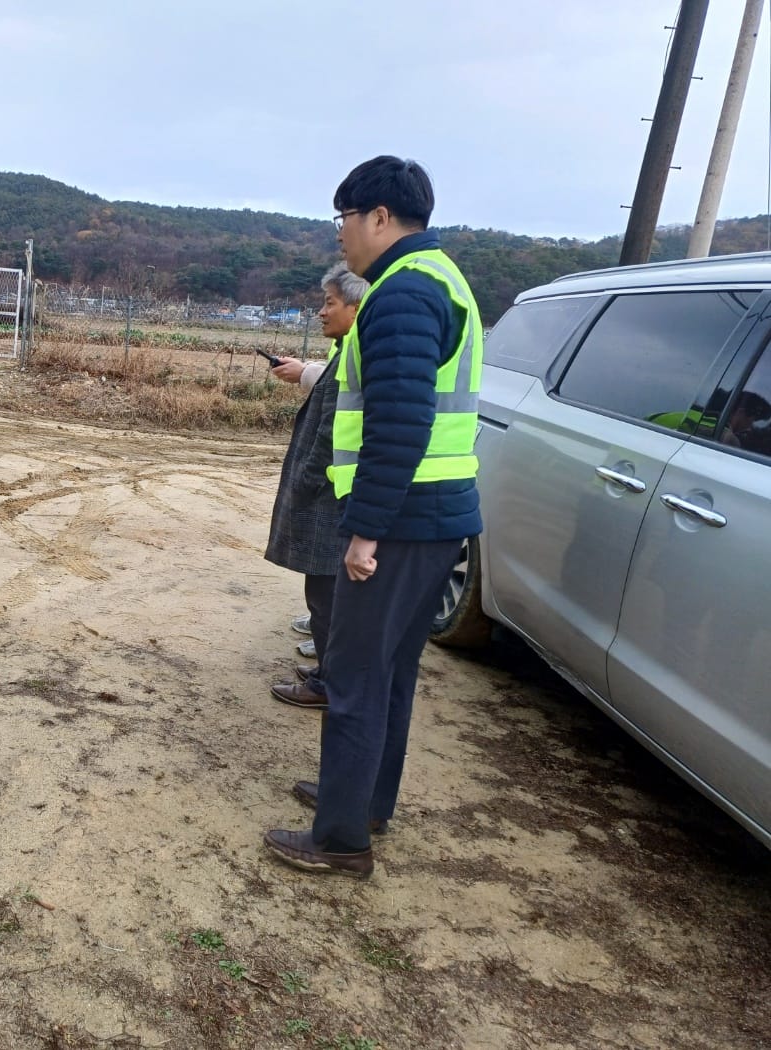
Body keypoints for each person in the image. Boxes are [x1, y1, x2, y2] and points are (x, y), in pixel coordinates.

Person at [264, 156, 484, 879]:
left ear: (380, 218)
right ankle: (361, 804)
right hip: (435, 515)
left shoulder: (404, 294)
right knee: (389, 674)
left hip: (402, 518)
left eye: (344, 221)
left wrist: (363, 531)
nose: (341, 238)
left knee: (356, 675)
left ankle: (339, 842)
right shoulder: (439, 280)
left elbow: (399, 423)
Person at [263, 263, 369, 709]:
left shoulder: (354, 354)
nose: (321, 312)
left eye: (329, 303)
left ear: (356, 305)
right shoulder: (348, 350)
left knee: (326, 596)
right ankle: (327, 671)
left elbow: (331, 431)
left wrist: (305, 480)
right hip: (332, 490)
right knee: (323, 592)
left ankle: (328, 685)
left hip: (330, 494)